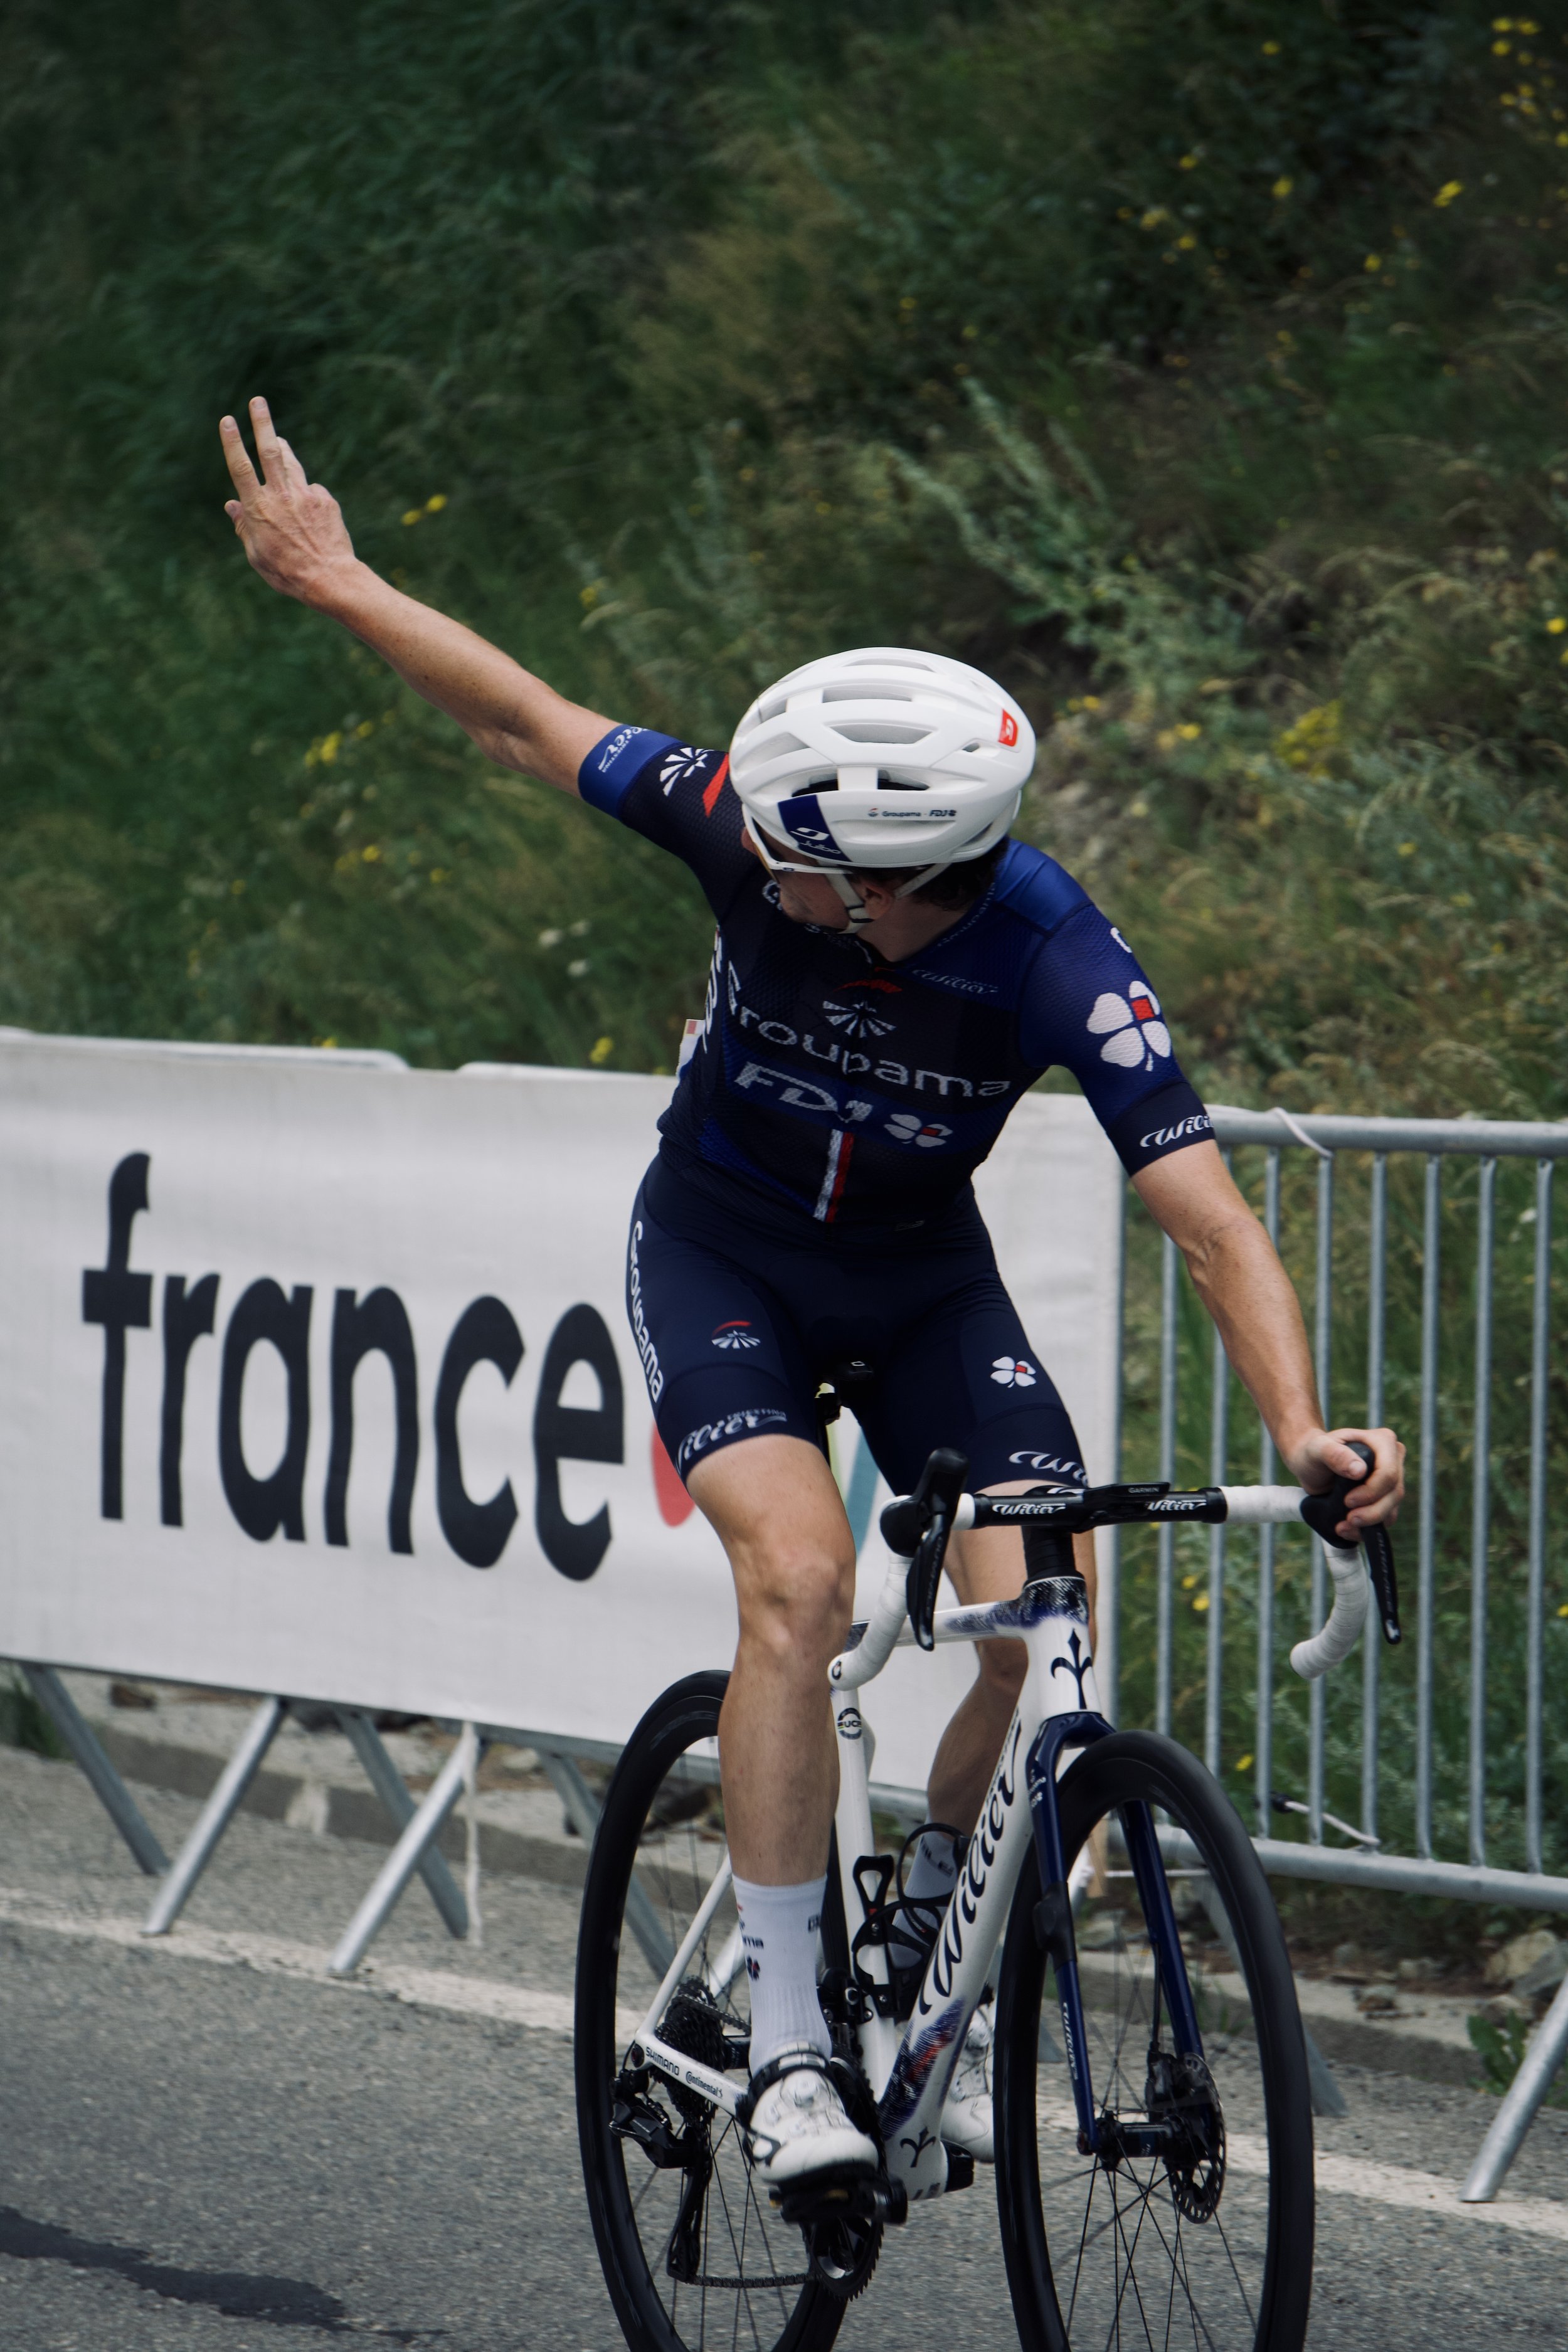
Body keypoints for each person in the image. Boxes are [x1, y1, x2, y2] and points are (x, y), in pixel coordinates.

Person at [220, 397, 1405, 2195]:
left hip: (924, 1284)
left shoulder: (1058, 960)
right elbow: (527, 718)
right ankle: (784, 2048)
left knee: (1046, 1614)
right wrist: (338, 580)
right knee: (800, 1581)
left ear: (901, 883)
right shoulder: (747, 824)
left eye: (803, 866)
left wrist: (1299, 1431)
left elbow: (1211, 1224)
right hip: (726, 1254)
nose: (763, 869)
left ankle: (935, 1924)